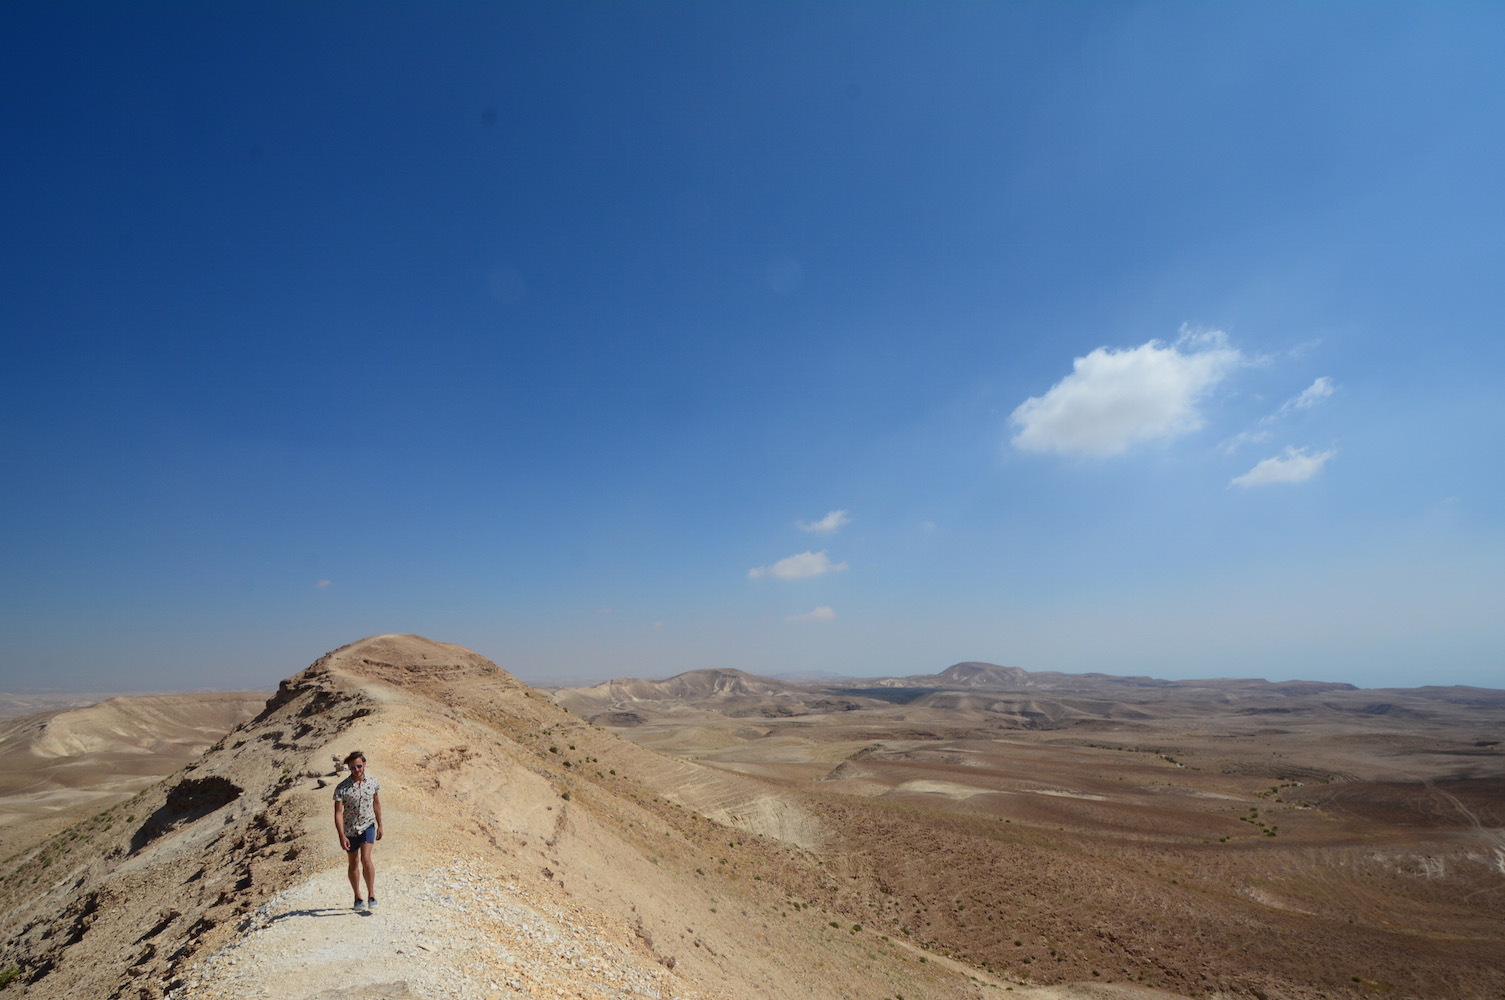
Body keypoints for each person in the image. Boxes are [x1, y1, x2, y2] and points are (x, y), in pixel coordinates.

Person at [332, 750, 383, 911]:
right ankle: (357, 897)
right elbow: (338, 812)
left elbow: (376, 803)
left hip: (368, 825)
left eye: (359, 766)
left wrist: (380, 824)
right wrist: (341, 835)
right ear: (348, 768)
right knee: (353, 862)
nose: (357, 770)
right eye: (353, 768)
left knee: (366, 858)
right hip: (350, 829)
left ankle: (372, 894)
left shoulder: (373, 782)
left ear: (364, 764)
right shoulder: (342, 788)